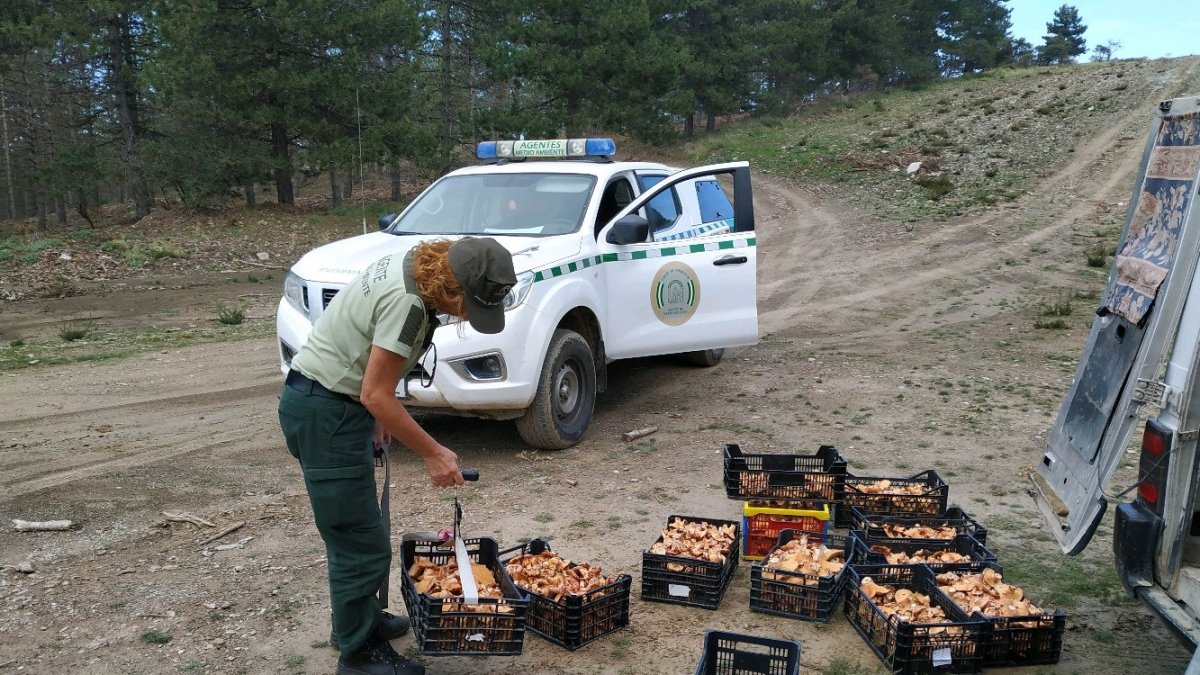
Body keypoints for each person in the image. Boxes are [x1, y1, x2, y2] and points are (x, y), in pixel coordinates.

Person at [278, 237, 517, 675]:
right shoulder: (410, 304)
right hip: (327, 414)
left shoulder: (412, 264)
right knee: (360, 544)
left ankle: (355, 622)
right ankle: (359, 654)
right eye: (469, 306)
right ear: (452, 289)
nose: (465, 317)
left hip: (332, 402)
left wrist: (376, 413)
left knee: (355, 533)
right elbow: (374, 390)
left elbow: (370, 365)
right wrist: (435, 453)